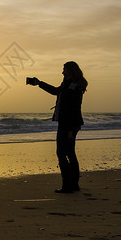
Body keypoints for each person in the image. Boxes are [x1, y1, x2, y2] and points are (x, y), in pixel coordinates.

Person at [29, 61, 88, 193]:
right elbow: (56, 91)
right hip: (67, 123)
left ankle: (68, 186)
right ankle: (73, 185)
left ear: (70, 71)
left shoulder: (75, 86)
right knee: (69, 153)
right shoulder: (67, 84)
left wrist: (71, 130)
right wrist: (39, 83)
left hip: (69, 124)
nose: (62, 72)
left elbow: (74, 108)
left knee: (62, 153)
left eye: (64, 70)